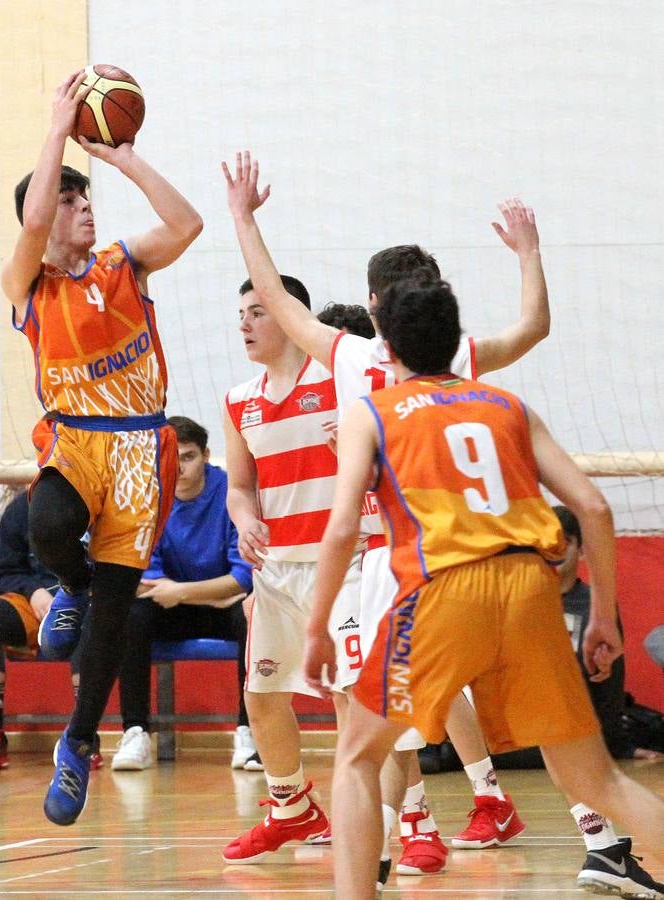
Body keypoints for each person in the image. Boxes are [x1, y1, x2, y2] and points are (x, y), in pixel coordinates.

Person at [223, 152, 545, 882]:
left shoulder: (342, 355)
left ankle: (411, 831)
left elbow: (276, 298)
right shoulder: (456, 356)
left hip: (386, 555)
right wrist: (528, 256)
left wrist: (242, 217)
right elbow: (531, 330)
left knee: (369, 719)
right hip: (433, 554)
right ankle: (427, 826)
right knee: (381, 713)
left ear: (373, 304)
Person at [301, 275, 664, 898]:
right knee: (599, 781)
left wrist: (316, 628)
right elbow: (595, 509)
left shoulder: (371, 411)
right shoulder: (507, 405)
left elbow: (340, 533)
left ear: (385, 347)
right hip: (530, 588)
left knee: (358, 759)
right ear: (456, 341)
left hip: (442, 588)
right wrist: (603, 615)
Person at [0, 70, 202, 825]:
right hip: (77, 441)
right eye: (68, 201)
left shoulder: (125, 264)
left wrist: (122, 157)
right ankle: (73, 585)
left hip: (140, 450)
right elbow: (28, 229)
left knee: (116, 618)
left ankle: (79, 741)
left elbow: (186, 224)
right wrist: (55, 129)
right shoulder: (28, 283)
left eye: (87, 200)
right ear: (42, 215)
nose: (83, 211)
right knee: (47, 525)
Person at [221, 275, 363, 863]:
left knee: (356, 701)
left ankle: (413, 821)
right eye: (242, 313)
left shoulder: (340, 382)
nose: (246, 324)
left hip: (348, 563)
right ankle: (291, 808)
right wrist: (244, 518)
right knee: (261, 694)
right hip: (276, 572)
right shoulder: (238, 400)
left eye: (259, 312)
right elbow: (237, 485)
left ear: (290, 316)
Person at [111, 415, 257, 772]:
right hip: (182, 603)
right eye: (171, 458)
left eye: (188, 456)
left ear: (206, 456)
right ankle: (135, 732)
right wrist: (201, 593)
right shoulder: (148, 496)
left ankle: (249, 733)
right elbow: (150, 583)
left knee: (253, 614)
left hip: (221, 606)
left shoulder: (231, 493)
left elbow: (243, 578)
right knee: (132, 613)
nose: (179, 467)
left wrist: (183, 592)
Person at [552, 504, 664, 895]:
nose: (551, 550)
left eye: (562, 542)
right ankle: (604, 851)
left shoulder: (592, 608)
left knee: (594, 778)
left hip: (582, 718)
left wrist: (618, 740)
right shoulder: (521, 596)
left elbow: (609, 685)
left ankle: (605, 852)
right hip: (540, 711)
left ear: (580, 549)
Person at [0, 490, 104, 772]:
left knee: (85, 620)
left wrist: (79, 595)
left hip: (85, 600)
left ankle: (83, 737)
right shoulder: (20, 508)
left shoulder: (102, 507)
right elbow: (4, 572)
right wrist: (33, 592)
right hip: (35, 604)